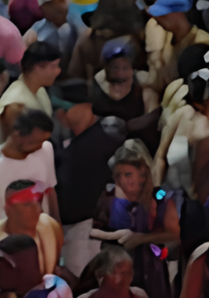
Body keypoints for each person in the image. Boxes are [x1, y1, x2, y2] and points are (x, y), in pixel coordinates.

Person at [88, 141, 175, 298]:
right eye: (120, 175)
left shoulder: (159, 197)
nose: (125, 180)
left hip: (151, 267)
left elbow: (174, 233)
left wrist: (141, 238)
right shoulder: (108, 198)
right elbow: (96, 230)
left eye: (128, 174)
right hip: (119, 269)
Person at [50, 80, 119, 278]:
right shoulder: (76, 143)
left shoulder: (104, 140)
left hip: (92, 229)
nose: (59, 115)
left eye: (64, 109)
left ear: (85, 107)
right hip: (76, 230)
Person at [0, 48, 57, 145]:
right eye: (52, 67)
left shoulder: (39, 89)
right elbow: (14, 148)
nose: (57, 71)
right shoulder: (14, 105)